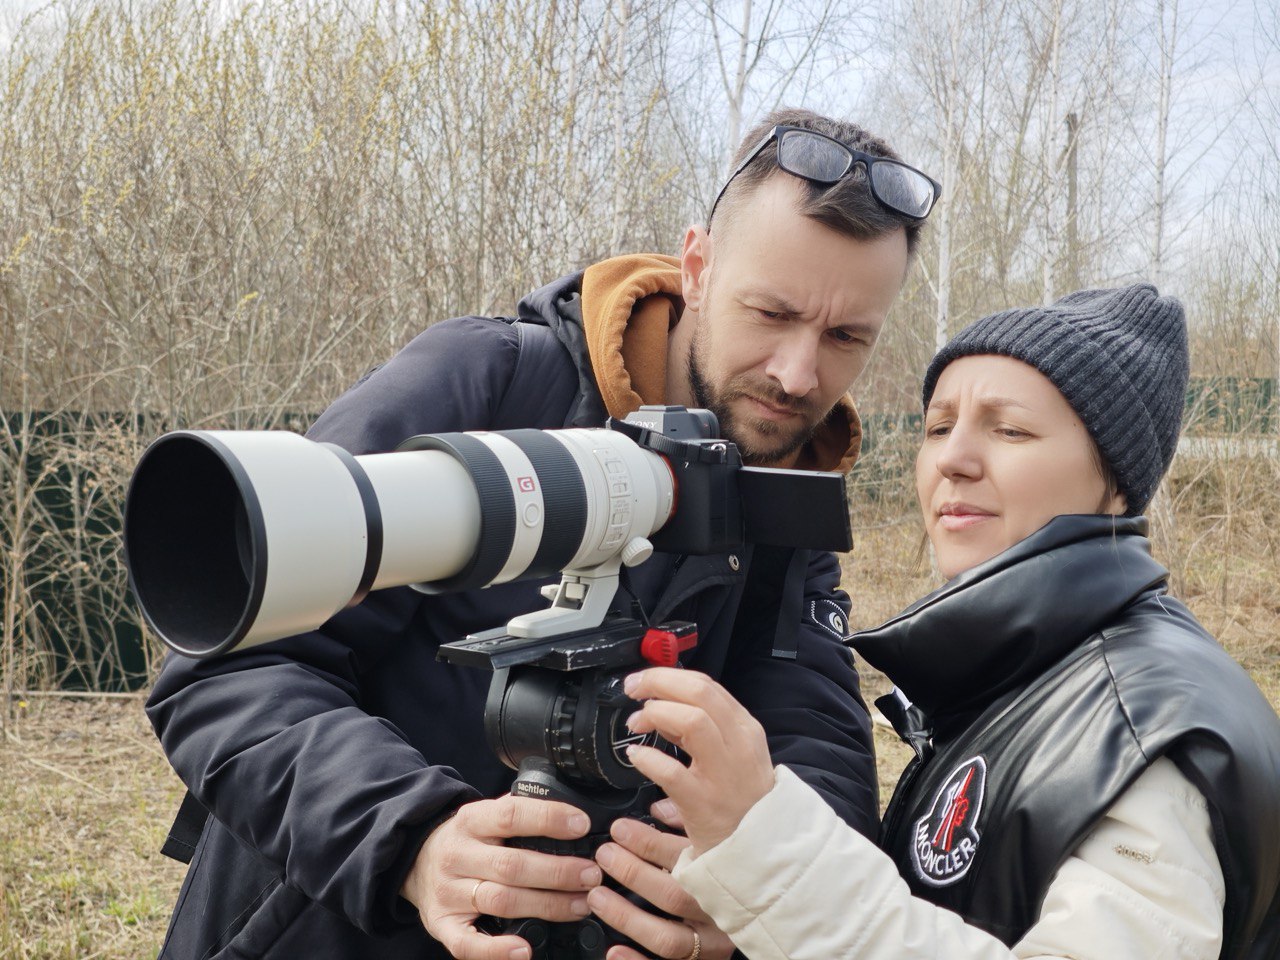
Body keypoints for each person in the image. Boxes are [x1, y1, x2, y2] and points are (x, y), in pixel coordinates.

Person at [143, 107, 941, 960]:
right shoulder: (489, 383)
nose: (798, 373)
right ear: (698, 267)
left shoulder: (784, 485)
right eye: (772, 312)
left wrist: (766, 899)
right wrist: (413, 842)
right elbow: (229, 671)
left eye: (846, 336)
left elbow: (814, 738)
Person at [621, 284, 1280, 959]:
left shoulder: (1145, 734)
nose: (951, 460)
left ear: (1115, 483)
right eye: (938, 428)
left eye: (1010, 430)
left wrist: (765, 852)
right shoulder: (1025, 676)